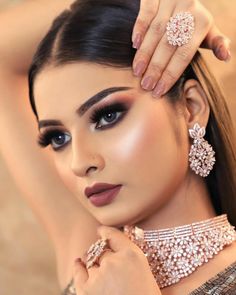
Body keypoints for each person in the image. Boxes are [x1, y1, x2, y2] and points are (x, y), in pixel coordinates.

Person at [0, 0, 235, 294]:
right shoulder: (89, 267)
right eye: (58, 137)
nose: (79, 162)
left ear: (191, 107)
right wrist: (149, 4)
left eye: (107, 116)